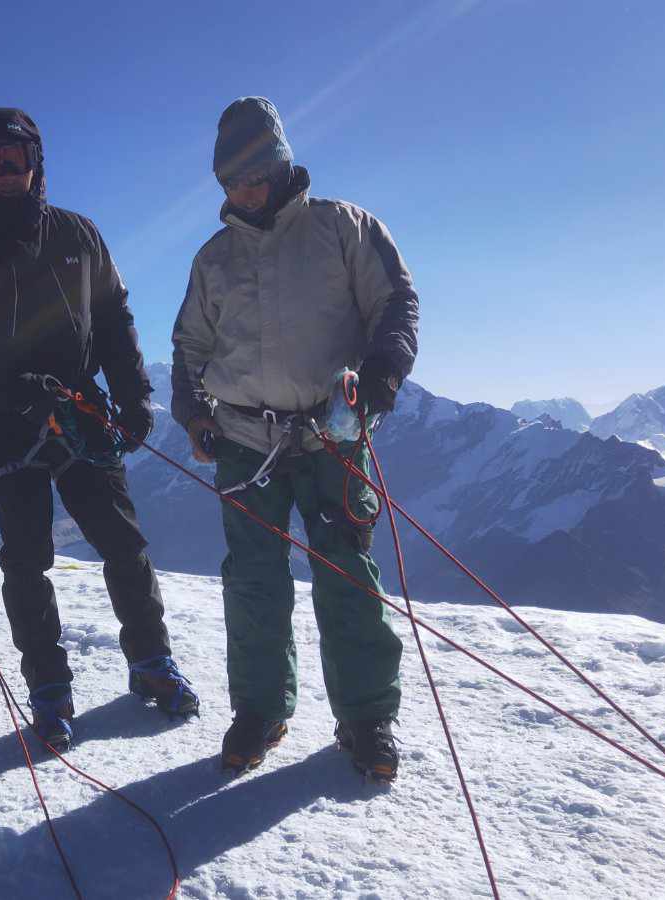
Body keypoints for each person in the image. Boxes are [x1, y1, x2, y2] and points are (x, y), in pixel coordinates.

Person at [0, 108, 198, 751]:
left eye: (16, 156)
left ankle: (150, 662)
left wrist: (132, 397)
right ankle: (49, 688)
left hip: (82, 410)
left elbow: (113, 317)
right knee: (27, 560)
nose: (6, 169)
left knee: (123, 543)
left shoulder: (79, 235)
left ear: (37, 161)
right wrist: (11, 391)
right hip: (3, 419)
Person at [171, 97, 418, 779]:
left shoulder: (342, 228)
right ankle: (260, 709)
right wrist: (192, 412)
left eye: (253, 177)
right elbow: (189, 344)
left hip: (333, 434)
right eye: (229, 183)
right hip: (246, 440)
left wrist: (383, 373)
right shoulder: (213, 259)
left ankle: (366, 721)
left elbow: (394, 300)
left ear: (280, 165)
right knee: (252, 582)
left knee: (346, 576)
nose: (242, 193)